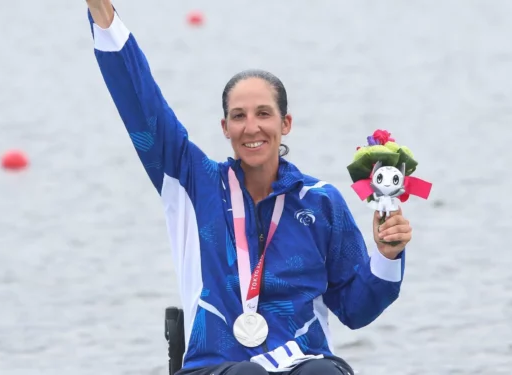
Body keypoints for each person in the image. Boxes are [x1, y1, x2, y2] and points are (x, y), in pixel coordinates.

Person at [85, 1, 413, 374]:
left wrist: (386, 257)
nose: (251, 127)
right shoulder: (194, 182)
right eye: (238, 116)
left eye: (263, 114)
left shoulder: (321, 203)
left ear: (285, 123)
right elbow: (141, 103)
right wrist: (102, 12)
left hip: (304, 364)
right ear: (225, 128)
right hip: (216, 366)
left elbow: (357, 310)